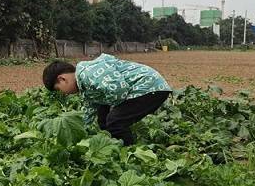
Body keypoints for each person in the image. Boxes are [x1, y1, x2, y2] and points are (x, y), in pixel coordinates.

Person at [43, 53, 172, 145]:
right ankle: (111, 142)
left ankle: (129, 152)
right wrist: (82, 134)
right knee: (103, 118)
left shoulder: (89, 73)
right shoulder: (84, 86)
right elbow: (89, 112)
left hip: (149, 87)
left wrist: (114, 109)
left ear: (62, 79)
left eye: (59, 89)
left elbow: (119, 89)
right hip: (143, 89)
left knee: (115, 121)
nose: (64, 94)